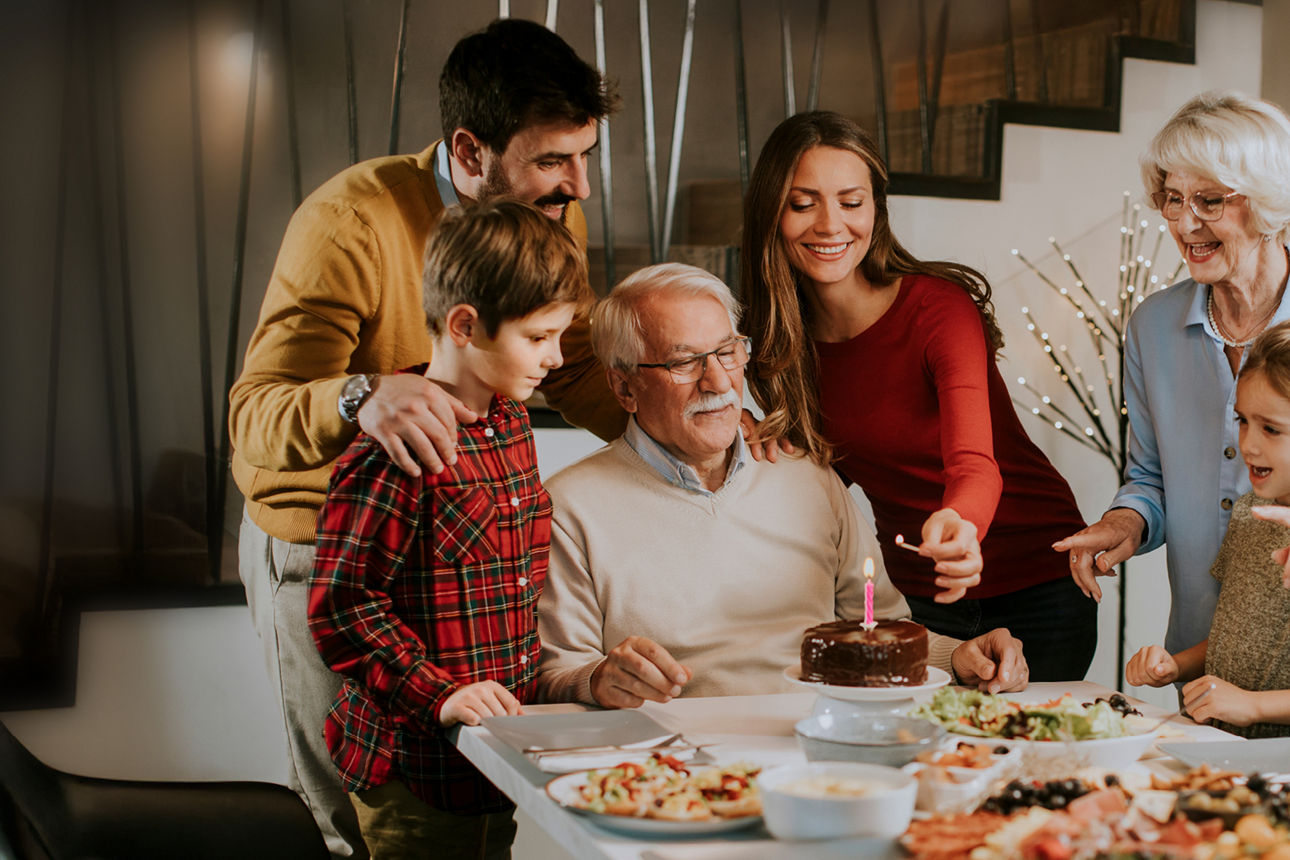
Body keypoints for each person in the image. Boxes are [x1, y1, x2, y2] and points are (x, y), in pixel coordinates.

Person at [227, 19, 621, 857]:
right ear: (472, 152)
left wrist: (693, 435)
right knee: (348, 820)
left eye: (584, 157)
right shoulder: (350, 222)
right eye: (554, 160)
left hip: (444, 567)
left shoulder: (543, 211)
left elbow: (575, 363)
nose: (577, 188)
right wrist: (364, 395)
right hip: (323, 547)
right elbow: (255, 413)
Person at [535, 263, 1029, 707]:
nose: (719, 382)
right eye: (683, 362)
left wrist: (958, 655)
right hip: (672, 759)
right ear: (624, 387)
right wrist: (598, 680)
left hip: (818, 738)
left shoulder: (807, 477)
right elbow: (558, 674)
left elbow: (875, 628)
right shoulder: (571, 506)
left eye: (727, 352)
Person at [738, 110, 1094, 681]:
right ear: (771, 213)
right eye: (803, 203)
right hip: (917, 600)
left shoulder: (939, 309)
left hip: (1037, 581)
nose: (830, 224)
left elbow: (976, 464)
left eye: (851, 202)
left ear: (876, 210)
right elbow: (832, 478)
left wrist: (960, 525)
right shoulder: (778, 346)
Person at [308, 200, 585, 857]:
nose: (557, 356)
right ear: (465, 325)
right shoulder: (392, 448)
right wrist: (440, 694)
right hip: (416, 779)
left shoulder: (512, 423)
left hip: (494, 767)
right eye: (539, 336)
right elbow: (341, 610)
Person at [1055, 91, 1290, 660]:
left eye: (1210, 200)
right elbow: (1151, 475)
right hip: (1198, 652)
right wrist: (1125, 521)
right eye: (1172, 199)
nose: (1186, 224)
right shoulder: (1153, 327)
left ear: (1266, 201)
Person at [1124, 321, 1290, 739]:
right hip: (1224, 745)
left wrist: (1253, 705)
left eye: (1270, 428)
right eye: (1242, 421)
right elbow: (1229, 634)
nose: (1248, 444)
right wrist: (1176, 665)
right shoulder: (1249, 513)